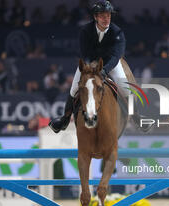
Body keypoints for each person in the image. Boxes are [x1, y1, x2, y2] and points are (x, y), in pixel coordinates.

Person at [49, 1, 151, 133]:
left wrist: (104, 70)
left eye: (108, 16)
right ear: (95, 17)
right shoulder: (86, 31)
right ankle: (65, 119)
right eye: (102, 16)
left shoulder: (117, 32)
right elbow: (85, 54)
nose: (106, 19)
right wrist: (90, 69)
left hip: (111, 64)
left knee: (126, 88)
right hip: (90, 63)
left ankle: (137, 118)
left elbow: (116, 56)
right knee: (74, 87)